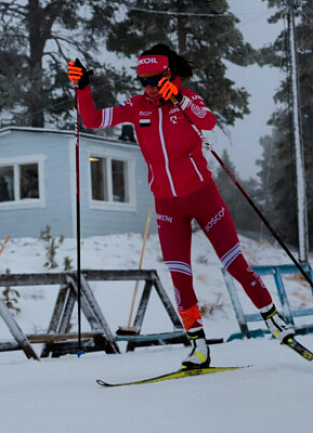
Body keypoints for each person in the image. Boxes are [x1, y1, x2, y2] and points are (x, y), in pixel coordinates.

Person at [67, 44, 293, 370]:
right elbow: (91, 119)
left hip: (203, 197)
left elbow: (209, 122)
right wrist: (83, 89)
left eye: (153, 80)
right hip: (167, 205)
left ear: (168, 76)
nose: (147, 87)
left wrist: (181, 99)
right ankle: (198, 345)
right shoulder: (137, 107)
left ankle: (273, 319)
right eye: (141, 81)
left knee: (235, 264)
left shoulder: (187, 101)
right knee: (180, 276)